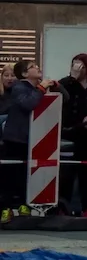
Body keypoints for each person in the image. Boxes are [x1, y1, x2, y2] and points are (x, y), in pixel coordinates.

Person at [56, 54, 87, 216]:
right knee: (67, 172)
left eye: (80, 66)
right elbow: (58, 93)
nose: (77, 69)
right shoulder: (67, 83)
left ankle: (86, 207)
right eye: (74, 65)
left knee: (86, 172)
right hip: (70, 131)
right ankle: (64, 206)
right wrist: (72, 78)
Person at [0, 62, 38, 214]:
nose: (37, 68)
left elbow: (65, 97)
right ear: (24, 74)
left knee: (24, 175)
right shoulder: (18, 88)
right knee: (10, 175)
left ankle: (23, 205)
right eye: (33, 67)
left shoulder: (35, 88)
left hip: (29, 138)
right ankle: (5, 208)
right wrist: (41, 89)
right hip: (14, 138)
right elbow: (29, 103)